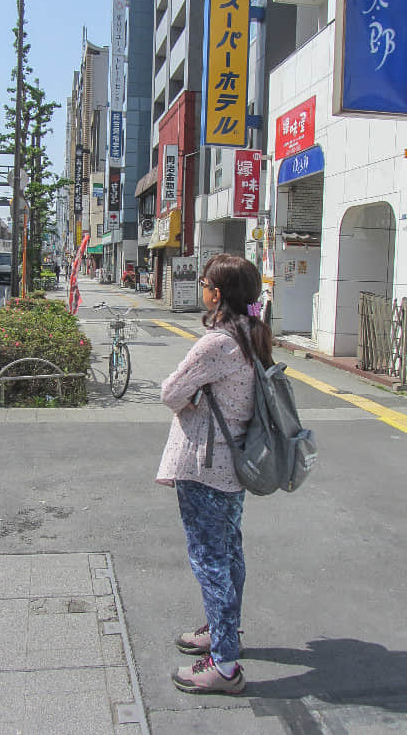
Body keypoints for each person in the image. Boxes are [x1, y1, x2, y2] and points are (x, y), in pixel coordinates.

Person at [156, 253, 274, 695]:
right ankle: (222, 633)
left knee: (210, 562)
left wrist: (190, 403)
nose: (202, 287)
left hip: (205, 466)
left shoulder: (218, 342)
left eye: (206, 282)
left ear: (217, 293)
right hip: (235, 464)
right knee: (229, 554)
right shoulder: (253, 334)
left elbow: (170, 391)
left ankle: (223, 665)